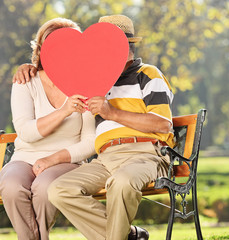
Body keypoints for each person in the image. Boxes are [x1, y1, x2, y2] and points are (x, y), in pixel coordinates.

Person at [15, 15, 175, 240]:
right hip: (105, 158)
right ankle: (127, 236)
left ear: (124, 46)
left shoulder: (147, 74)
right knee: (59, 190)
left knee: (121, 182)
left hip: (144, 154)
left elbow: (163, 124)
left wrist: (112, 112)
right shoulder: (95, 79)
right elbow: (57, 65)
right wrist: (28, 67)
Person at [0, 18, 96, 240]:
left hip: (66, 162)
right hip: (25, 158)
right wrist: (64, 111)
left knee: (44, 188)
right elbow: (26, 132)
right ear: (42, 50)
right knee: (12, 185)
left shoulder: (87, 82)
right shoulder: (26, 80)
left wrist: (52, 159)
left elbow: (90, 142)